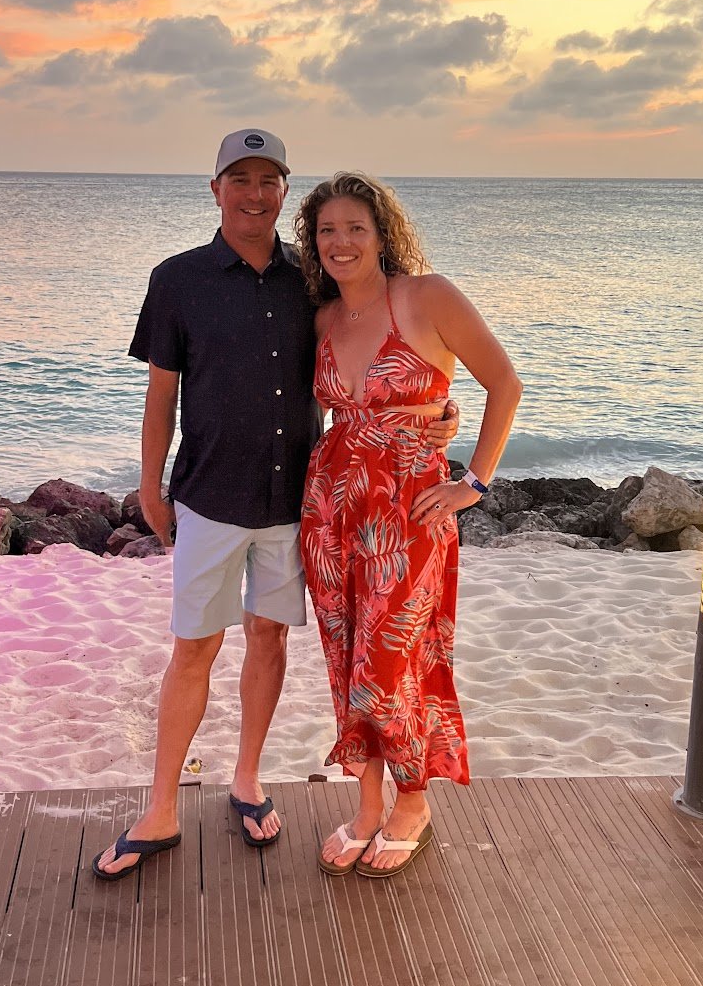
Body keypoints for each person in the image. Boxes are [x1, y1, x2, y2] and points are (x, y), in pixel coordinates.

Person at [93, 133, 458, 879]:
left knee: (271, 642)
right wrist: (150, 484)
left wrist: (436, 415)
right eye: (240, 179)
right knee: (193, 647)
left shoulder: (315, 283)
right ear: (216, 188)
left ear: (285, 191)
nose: (255, 194)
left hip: (302, 505)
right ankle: (161, 808)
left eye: (269, 180)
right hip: (209, 498)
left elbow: (371, 361)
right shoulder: (178, 280)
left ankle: (248, 780)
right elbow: (160, 395)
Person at [296, 172, 522, 879]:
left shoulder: (427, 297)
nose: (340, 242)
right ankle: (367, 804)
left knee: (393, 658)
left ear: (382, 233)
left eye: (355, 228)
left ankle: (414, 802)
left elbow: (504, 383)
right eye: (326, 230)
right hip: (332, 507)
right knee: (346, 658)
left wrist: (472, 484)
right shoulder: (323, 319)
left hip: (410, 509)